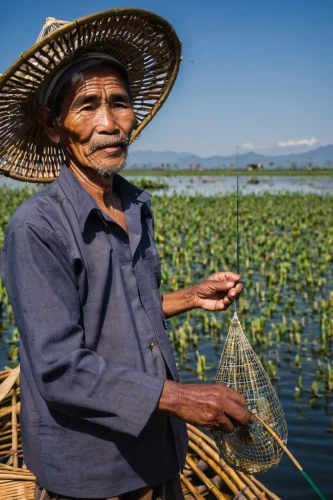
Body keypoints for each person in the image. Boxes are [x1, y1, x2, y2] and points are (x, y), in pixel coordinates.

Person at [0, 9, 254, 500]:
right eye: (87, 105)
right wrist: (180, 398)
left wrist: (188, 297)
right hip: (93, 470)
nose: (109, 123)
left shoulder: (136, 204)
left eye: (119, 103)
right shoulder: (37, 227)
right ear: (53, 126)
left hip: (159, 452)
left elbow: (122, 313)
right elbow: (59, 368)